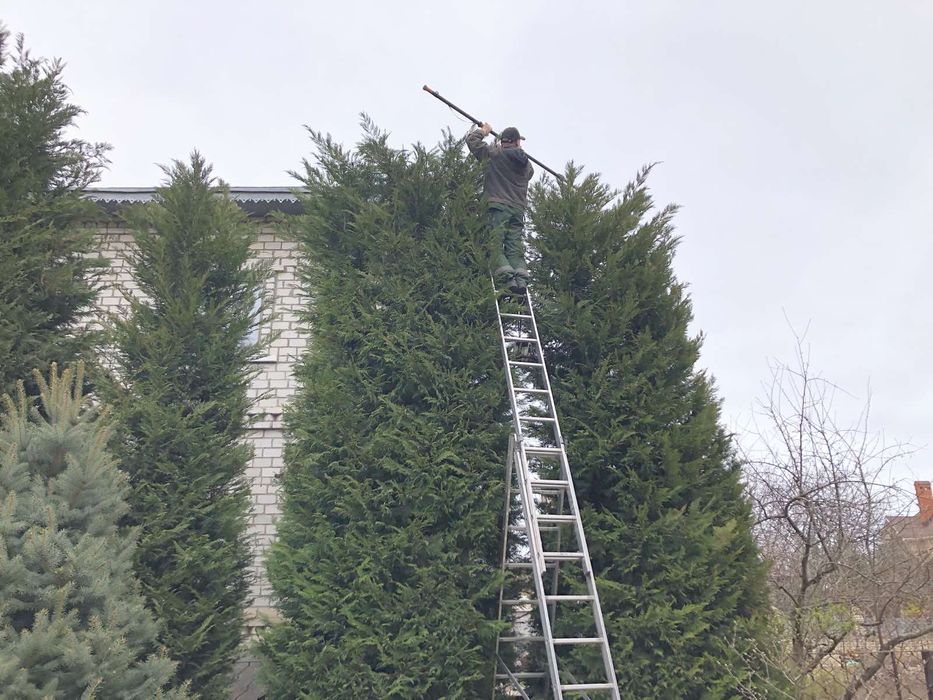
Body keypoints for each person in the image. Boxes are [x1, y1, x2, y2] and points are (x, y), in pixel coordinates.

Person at [466, 122, 534, 294]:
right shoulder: (527, 165)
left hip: (498, 205)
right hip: (518, 209)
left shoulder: (495, 154)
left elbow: (472, 141)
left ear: (503, 141)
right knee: (514, 244)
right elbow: (528, 172)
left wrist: (484, 131)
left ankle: (506, 276)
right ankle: (521, 278)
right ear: (518, 142)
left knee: (495, 241)